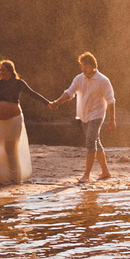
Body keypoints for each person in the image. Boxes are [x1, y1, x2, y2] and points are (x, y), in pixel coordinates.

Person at [49, 52, 116, 182]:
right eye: (82, 66)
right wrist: (57, 102)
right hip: (83, 115)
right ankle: (105, 172)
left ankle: (86, 175)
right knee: (96, 142)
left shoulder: (103, 80)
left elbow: (110, 101)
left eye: (85, 66)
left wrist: (112, 119)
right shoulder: (79, 78)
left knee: (90, 141)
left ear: (92, 66)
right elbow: (69, 93)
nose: (83, 69)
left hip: (97, 115)